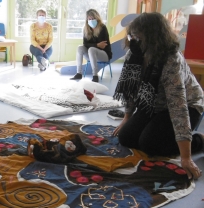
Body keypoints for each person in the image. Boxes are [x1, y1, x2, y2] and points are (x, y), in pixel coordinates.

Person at [112, 12, 204, 180]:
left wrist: (186, 157)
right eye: (132, 36)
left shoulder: (171, 60)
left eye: (138, 37)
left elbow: (178, 107)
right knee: (127, 137)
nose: (133, 40)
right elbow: (131, 88)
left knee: (150, 144)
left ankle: (199, 140)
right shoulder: (135, 53)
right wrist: (127, 117)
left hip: (187, 105)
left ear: (153, 38)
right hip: (154, 104)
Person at [70, 9, 112, 82]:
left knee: (91, 49)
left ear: (97, 18)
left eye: (93, 18)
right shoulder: (86, 29)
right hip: (91, 54)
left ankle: (95, 75)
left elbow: (103, 45)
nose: (91, 20)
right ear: (87, 20)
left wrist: (93, 45)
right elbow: (85, 44)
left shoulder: (102, 28)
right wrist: (97, 44)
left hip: (104, 54)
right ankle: (79, 73)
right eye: (90, 19)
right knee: (80, 48)